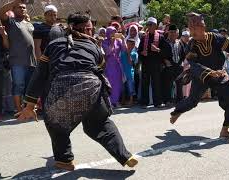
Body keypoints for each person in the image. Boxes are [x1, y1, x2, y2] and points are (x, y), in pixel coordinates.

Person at [16, 13, 138, 171]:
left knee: (55, 122)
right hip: (91, 86)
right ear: (87, 29)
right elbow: (99, 70)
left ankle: (64, 159)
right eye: (90, 28)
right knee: (100, 124)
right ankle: (125, 155)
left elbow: (40, 74)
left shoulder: (53, 45)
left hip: (63, 86)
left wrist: (29, 105)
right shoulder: (93, 46)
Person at [170, 12, 229, 139]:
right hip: (201, 76)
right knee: (192, 101)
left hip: (219, 74)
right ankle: (177, 111)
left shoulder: (216, 38)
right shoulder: (192, 44)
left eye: (195, 28)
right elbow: (193, 64)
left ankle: (225, 130)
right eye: (191, 29)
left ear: (203, 27)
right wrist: (209, 72)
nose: (192, 32)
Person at [0, 0, 36, 112]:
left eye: (24, 7)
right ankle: (18, 109)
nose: (22, 9)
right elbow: (1, 12)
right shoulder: (10, 22)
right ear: (13, 9)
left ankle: (28, 109)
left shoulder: (29, 23)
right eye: (19, 7)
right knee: (18, 85)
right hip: (17, 61)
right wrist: (16, 1)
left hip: (32, 61)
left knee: (29, 87)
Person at [138, 17, 170, 108]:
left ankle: (158, 102)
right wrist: (142, 53)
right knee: (145, 84)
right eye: (147, 24)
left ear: (155, 26)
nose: (148, 26)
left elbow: (167, 51)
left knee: (156, 83)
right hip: (146, 64)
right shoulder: (144, 37)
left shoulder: (160, 37)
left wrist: (158, 50)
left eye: (150, 24)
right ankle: (144, 102)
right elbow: (139, 50)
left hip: (156, 64)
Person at [102, 26, 126, 107]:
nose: (113, 33)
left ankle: (116, 101)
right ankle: (109, 102)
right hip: (109, 65)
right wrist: (112, 43)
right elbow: (107, 52)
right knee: (110, 83)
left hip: (117, 65)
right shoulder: (104, 42)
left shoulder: (118, 41)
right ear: (108, 33)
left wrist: (123, 40)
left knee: (118, 84)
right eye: (112, 32)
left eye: (114, 32)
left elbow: (124, 50)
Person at [162, 24, 183, 105]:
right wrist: (165, 61)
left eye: (174, 32)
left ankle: (180, 100)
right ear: (168, 32)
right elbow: (162, 54)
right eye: (171, 32)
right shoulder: (164, 42)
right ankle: (167, 101)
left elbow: (183, 54)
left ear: (177, 33)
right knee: (168, 85)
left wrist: (181, 62)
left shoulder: (179, 42)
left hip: (178, 66)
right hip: (169, 66)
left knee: (179, 84)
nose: (173, 34)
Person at [121, 38, 138, 106]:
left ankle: (131, 101)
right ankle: (123, 100)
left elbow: (131, 63)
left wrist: (128, 53)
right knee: (123, 87)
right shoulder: (122, 52)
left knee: (130, 86)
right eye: (128, 44)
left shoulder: (134, 53)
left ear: (134, 45)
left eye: (131, 44)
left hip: (130, 72)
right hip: (122, 71)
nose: (129, 46)